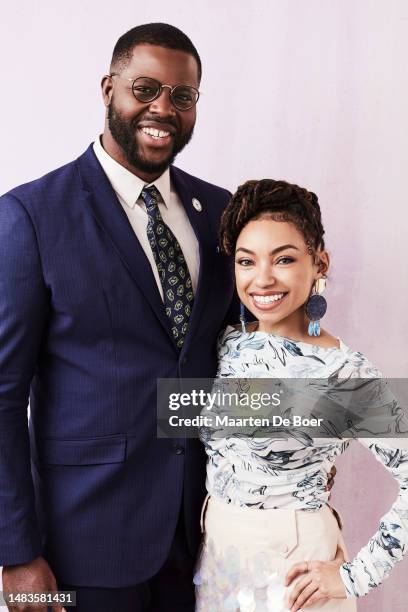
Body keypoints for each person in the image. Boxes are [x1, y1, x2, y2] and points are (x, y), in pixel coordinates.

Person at [0, 23, 238, 612]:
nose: (163, 108)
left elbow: (235, 369)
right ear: (109, 88)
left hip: (206, 538)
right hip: (81, 547)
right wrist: (14, 554)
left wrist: (318, 446)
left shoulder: (221, 214)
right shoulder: (31, 217)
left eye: (183, 96)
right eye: (145, 88)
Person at [195, 179, 408, 611]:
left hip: (294, 569)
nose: (263, 279)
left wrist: (355, 576)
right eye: (246, 261)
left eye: (284, 259)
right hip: (218, 561)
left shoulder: (344, 372)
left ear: (319, 264)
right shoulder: (230, 343)